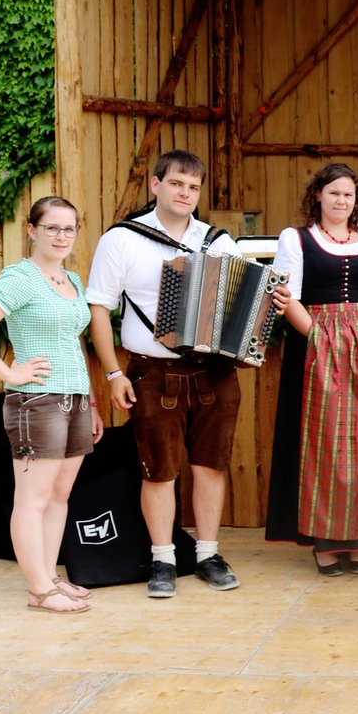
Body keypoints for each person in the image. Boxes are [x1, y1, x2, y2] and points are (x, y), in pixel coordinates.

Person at [87, 151, 254, 599]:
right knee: (158, 471)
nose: (185, 193)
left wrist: (264, 309)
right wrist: (112, 374)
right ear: (156, 184)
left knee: (210, 466)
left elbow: (244, 297)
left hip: (214, 372)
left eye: (193, 187)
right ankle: (163, 559)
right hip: (152, 372)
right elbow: (99, 309)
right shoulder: (122, 239)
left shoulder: (218, 241)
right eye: (177, 183)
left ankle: (207, 555)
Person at [0, 196, 103, 613]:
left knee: (59, 494)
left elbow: (73, 343)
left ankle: (49, 578)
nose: (61, 236)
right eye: (52, 227)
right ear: (32, 230)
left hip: (75, 399)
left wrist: (91, 401)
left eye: (69, 228)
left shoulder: (72, 280)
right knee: (32, 499)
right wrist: (10, 373)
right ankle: (39, 589)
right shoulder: (20, 277)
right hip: (37, 401)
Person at [265, 162, 358, 575]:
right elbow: (287, 297)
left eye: (348, 195)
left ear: (357, 201)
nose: (342, 201)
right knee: (325, 443)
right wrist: (320, 339)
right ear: (318, 196)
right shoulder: (297, 238)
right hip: (316, 340)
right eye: (334, 193)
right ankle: (325, 539)